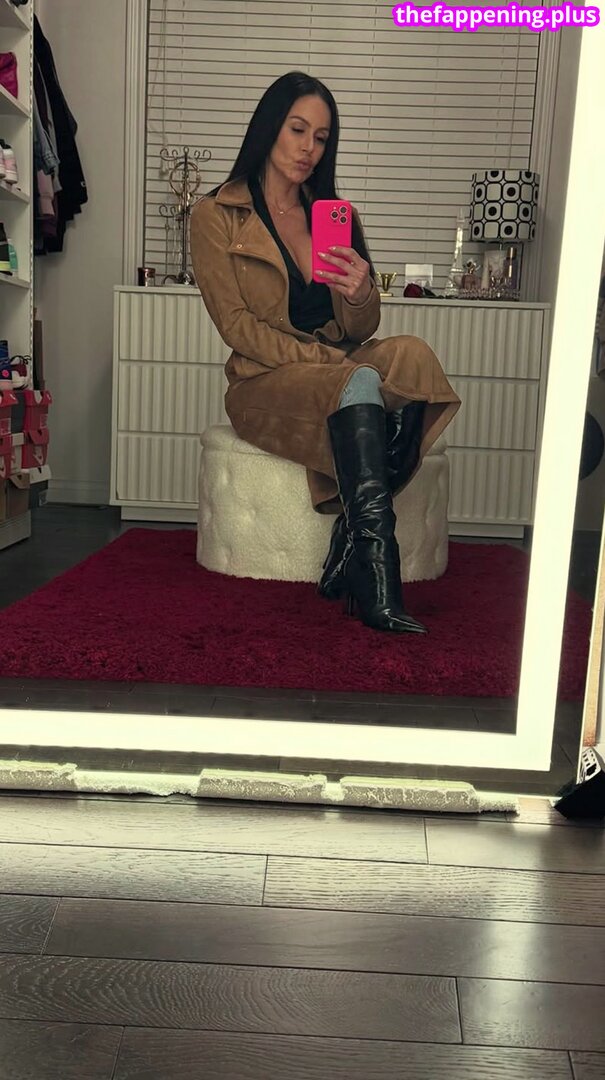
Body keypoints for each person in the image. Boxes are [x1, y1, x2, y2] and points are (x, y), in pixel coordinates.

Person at [190, 71, 461, 635]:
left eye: (321, 137)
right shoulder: (216, 215)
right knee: (354, 379)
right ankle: (378, 574)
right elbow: (236, 326)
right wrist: (327, 363)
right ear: (269, 127)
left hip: (338, 368)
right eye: (297, 130)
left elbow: (361, 327)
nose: (308, 148)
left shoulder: (335, 216)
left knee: (413, 357)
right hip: (264, 381)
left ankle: (350, 545)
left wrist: (361, 293)